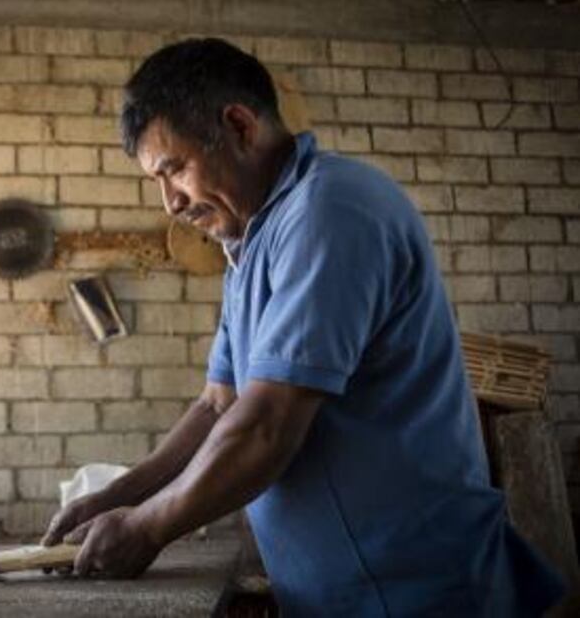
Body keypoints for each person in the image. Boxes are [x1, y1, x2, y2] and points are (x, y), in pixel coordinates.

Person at [41, 38, 565, 616]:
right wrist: (121, 494)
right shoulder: (250, 242)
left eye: (175, 169)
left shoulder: (331, 210)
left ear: (239, 125)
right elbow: (221, 405)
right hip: (342, 592)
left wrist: (147, 528)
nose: (170, 202)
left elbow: (267, 425)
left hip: (417, 589)